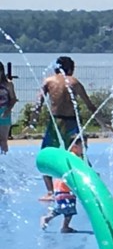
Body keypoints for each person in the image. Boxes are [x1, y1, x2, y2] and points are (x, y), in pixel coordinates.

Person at [33, 56, 100, 201]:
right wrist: (101, 121)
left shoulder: (48, 81)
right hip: (72, 123)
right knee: (80, 154)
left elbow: (38, 103)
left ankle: (50, 192)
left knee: (46, 154)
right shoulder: (74, 82)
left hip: (55, 123)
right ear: (70, 69)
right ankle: (89, 185)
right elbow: (89, 104)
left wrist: (33, 120)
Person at [40, 139, 85, 233]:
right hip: (64, 187)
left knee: (67, 208)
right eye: (83, 146)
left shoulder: (75, 156)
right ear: (74, 147)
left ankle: (64, 226)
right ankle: (48, 219)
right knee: (65, 208)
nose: (85, 148)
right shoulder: (73, 157)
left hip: (64, 187)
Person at [0, 64, 17, 154]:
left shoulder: (8, 84)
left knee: (3, 139)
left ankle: (4, 156)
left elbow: (13, 99)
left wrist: (7, 110)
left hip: (4, 112)